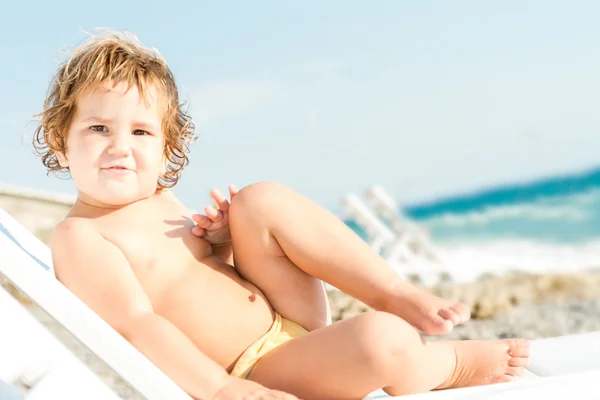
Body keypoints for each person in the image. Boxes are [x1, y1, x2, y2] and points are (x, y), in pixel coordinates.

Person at [33, 31, 530, 400]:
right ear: (61, 140)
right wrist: (223, 390)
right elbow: (137, 325)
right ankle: (445, 364)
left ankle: (395, 291)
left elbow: (198, 278)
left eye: (141, 132)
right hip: (259, 371)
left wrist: (223, 240)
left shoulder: (159, 203)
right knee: (383, 338)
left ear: (167, 150)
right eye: (99, 128)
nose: (121, 147)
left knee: (260, 199)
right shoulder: (81, 236)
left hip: (285, 317)